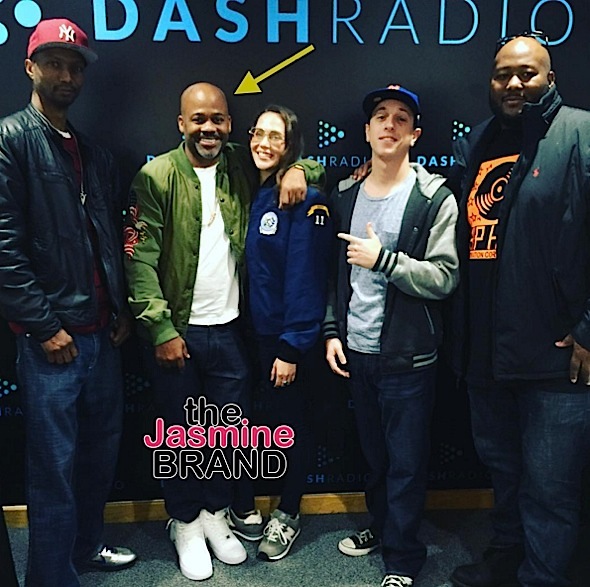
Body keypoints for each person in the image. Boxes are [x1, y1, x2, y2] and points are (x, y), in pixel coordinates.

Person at [124, 83, 323, 581]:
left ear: (230, 125)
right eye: (198, 119)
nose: (208, 128)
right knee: (181, 435)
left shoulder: (239, 164)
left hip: (233, 331)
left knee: (224, 434)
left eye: (217, 119)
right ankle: (185, 522)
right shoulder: (156, 176)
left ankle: (215, 514)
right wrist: (161, 329)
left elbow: (297, 161)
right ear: (181, 124)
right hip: (179, 332)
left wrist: (302, 170)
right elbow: (139, 261)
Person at [447, 32, 590, 587]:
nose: (513, 83)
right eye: (503, 73)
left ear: (550, 79)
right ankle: (507, 561)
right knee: (503, 474)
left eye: (527, 73)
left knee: (551, 491)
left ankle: (542, 578)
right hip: (487, 354)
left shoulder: (579, 133)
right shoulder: (477, 142)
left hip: (555, 359)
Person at [0, 18, 137, 587]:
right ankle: (51, 577)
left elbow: (106, 237)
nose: (66, 75)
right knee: (53, 469)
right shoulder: (10, 140)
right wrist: (42, 326)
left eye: (75, 67)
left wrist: (120, 310)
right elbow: (4, 245)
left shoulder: (90, 151)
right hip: (52, 342)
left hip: (101, 334)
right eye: (54, 63)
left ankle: (86, 548)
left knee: (99, 457)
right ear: (30, 68)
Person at [324, 85, 459, 587]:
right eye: (381, 116)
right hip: (357, 352)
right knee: (376, 460)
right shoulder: (345, 195)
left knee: (405, 464)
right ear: (366, 131)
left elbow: (444, 277)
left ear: (415, 135)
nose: (389, 124)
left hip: (409, 358)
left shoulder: (433, 199)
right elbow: (335, 276)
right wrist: (333, 331)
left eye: (401, 118)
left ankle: (402, 559)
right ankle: (383, 530)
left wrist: (385, 260)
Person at [239, 105, 331, 561]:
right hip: (250, 335)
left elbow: (305, 277)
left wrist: (292, 347)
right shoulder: (253, 189)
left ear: (291, 145)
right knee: (260, 428)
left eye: (276, 137)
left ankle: (289, 513)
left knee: (291, 429)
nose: (263, 143)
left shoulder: (303, 198)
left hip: (286, 342)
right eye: (258, 133)